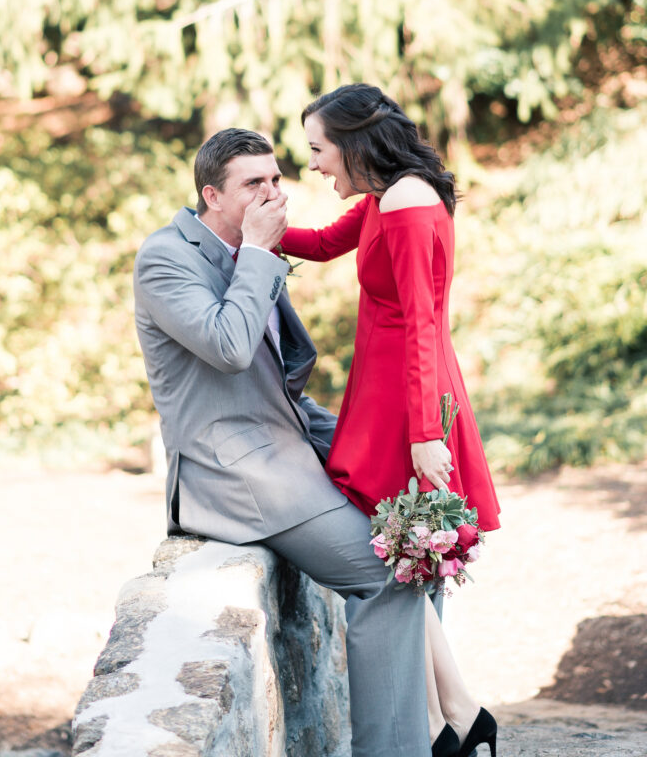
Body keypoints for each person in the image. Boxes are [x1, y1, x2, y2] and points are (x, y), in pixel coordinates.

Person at [134, 128, 489, 757]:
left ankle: (448, 716)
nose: (275, 193)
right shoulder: (168, 258)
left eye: (276, 179)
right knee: (390, 574)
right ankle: (409, 745)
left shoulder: (248, 245)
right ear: (212, 195)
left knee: (413, 522)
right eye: (254, 184)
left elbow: (286, 367)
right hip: (238, 468)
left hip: (291, 436)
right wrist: (260, 257)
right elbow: (230, 347)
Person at [279, 83, 502, 755]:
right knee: (401, 557)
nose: (314, 165)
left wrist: (427, 434)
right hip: (385, 392)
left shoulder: (406, 203)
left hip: (409, 398)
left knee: (399, 555)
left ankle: (452, 716)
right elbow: (318, 245)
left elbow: (424, 324)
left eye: (318, 150)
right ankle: (453, 715)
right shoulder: (383, 195)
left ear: (352, 141)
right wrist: (243, 230)